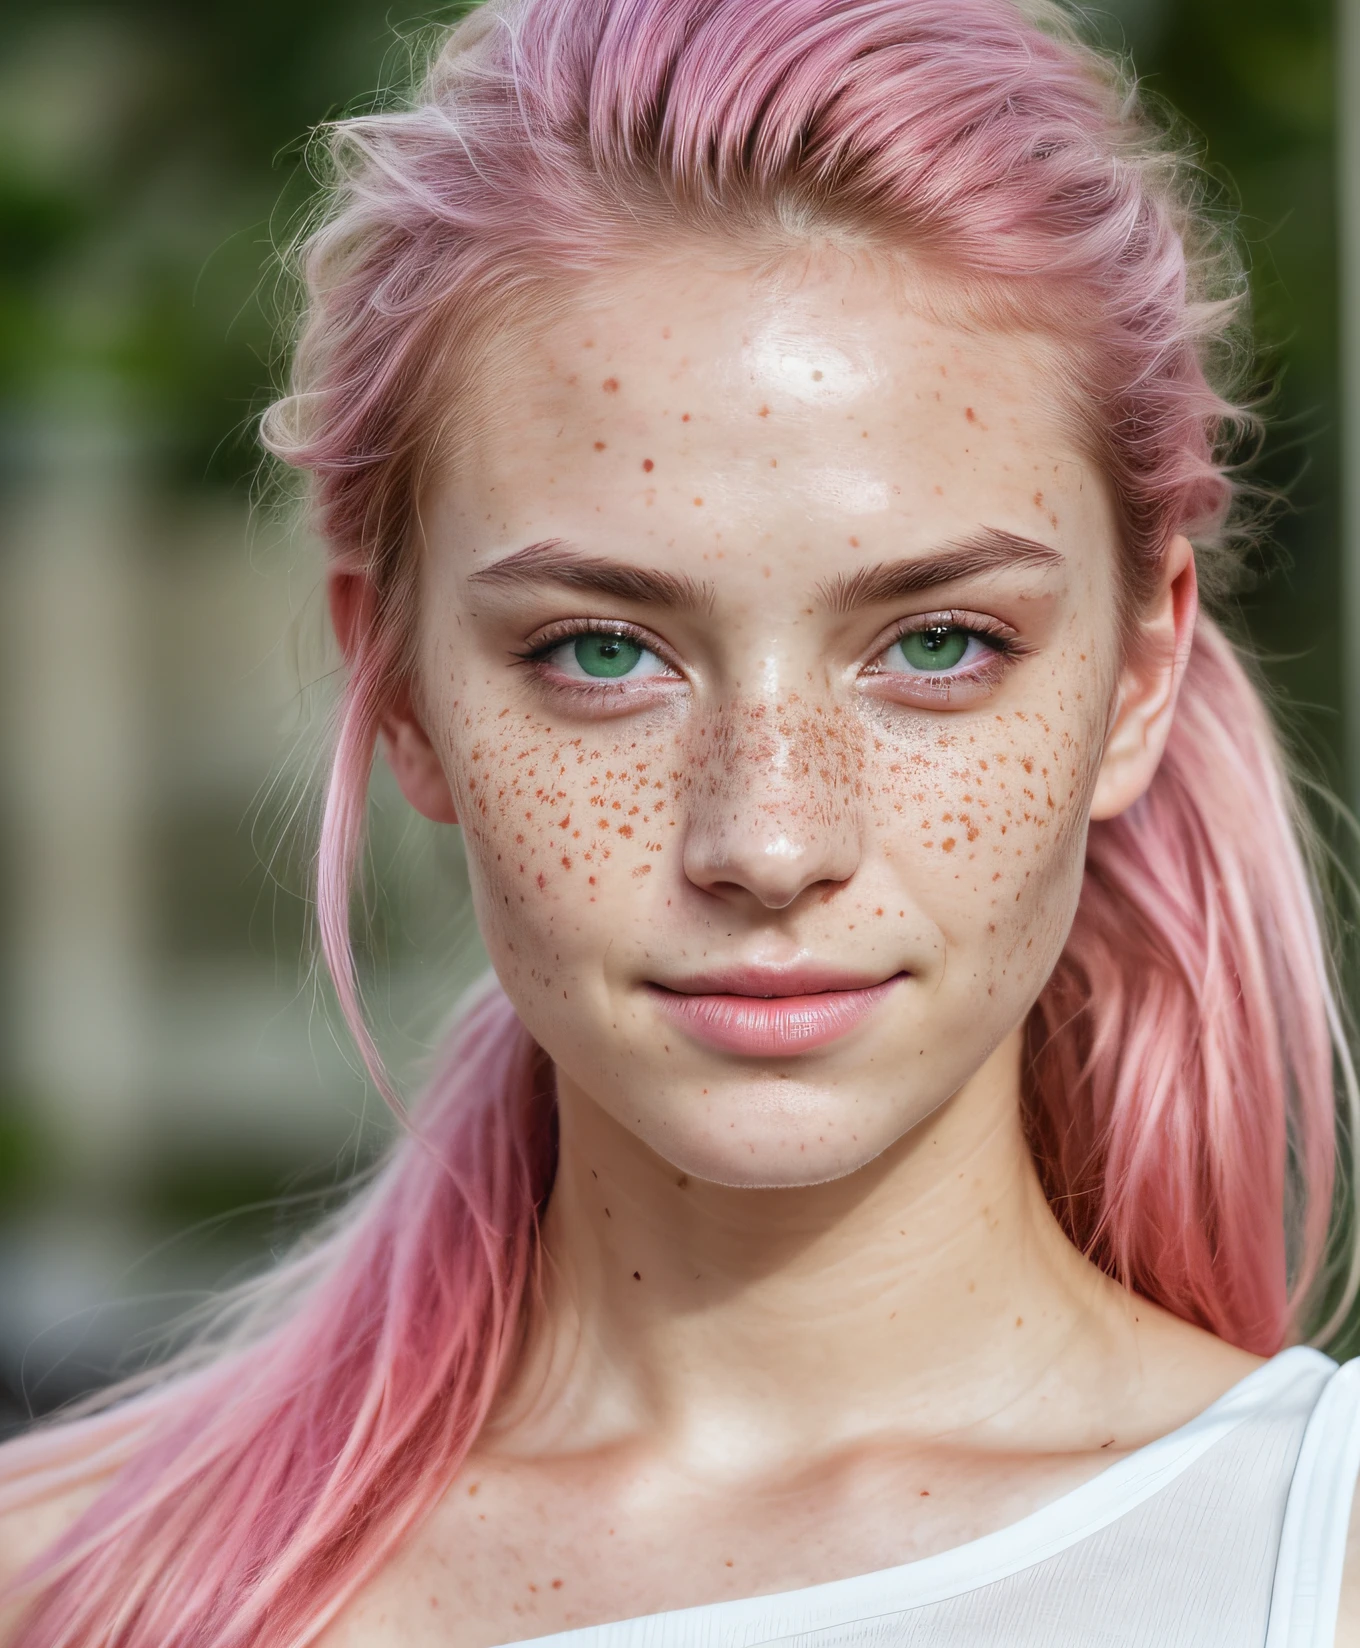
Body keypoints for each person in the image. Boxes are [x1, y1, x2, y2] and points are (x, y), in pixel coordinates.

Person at [4, 0, 1360, 1641]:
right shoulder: (63, 1587)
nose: (771, 845)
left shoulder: (1320, 1556)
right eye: (602, 651)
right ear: (404, 688)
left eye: (939, 644)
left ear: (1137, 677)